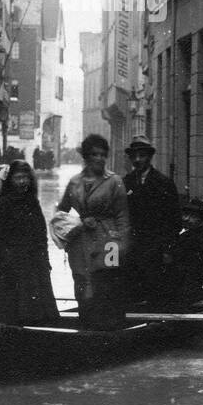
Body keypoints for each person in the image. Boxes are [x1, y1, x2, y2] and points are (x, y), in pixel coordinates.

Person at [56, 133, 130, 330]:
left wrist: (121, 245)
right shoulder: (74, 182)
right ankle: (85, 325)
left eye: (103, 155)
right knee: (81, 281)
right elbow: (61, 212)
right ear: (86, 157)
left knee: (108, 282)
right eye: (94, 154)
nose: (99, 159)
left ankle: (110, 329)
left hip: (109, 240)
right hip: (80, 241)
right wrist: (77, 222)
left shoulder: (115, 181)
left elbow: (123, 217)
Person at [0, 160, 59, 326]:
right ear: (11, 180)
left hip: (33, 263)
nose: (22, 182)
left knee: (37, 308)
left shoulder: (33, 203)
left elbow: (41, 235)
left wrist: (45, 260)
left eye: (25, 178)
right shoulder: (2, 205)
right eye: (18, 178)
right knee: (8, 310)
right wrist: (10, 258)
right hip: (8, 266)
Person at [123, 135, 182, 303]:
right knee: (133, 290)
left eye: (141, 156)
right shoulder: (126, 182)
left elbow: (174, 220)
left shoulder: (163, 183)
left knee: (156, 289)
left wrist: (168, 249)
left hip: (156, 247)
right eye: (134, 156)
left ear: (149, 157)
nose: (137, 160)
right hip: (133, 247)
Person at [153, 196, 203, 309]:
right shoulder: (180, 234)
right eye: (185, 215)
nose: (187, 219)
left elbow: (192, 272)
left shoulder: (196, 240)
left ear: (200, 220)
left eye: (192, 216)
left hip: (184, 291)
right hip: (177, 287)